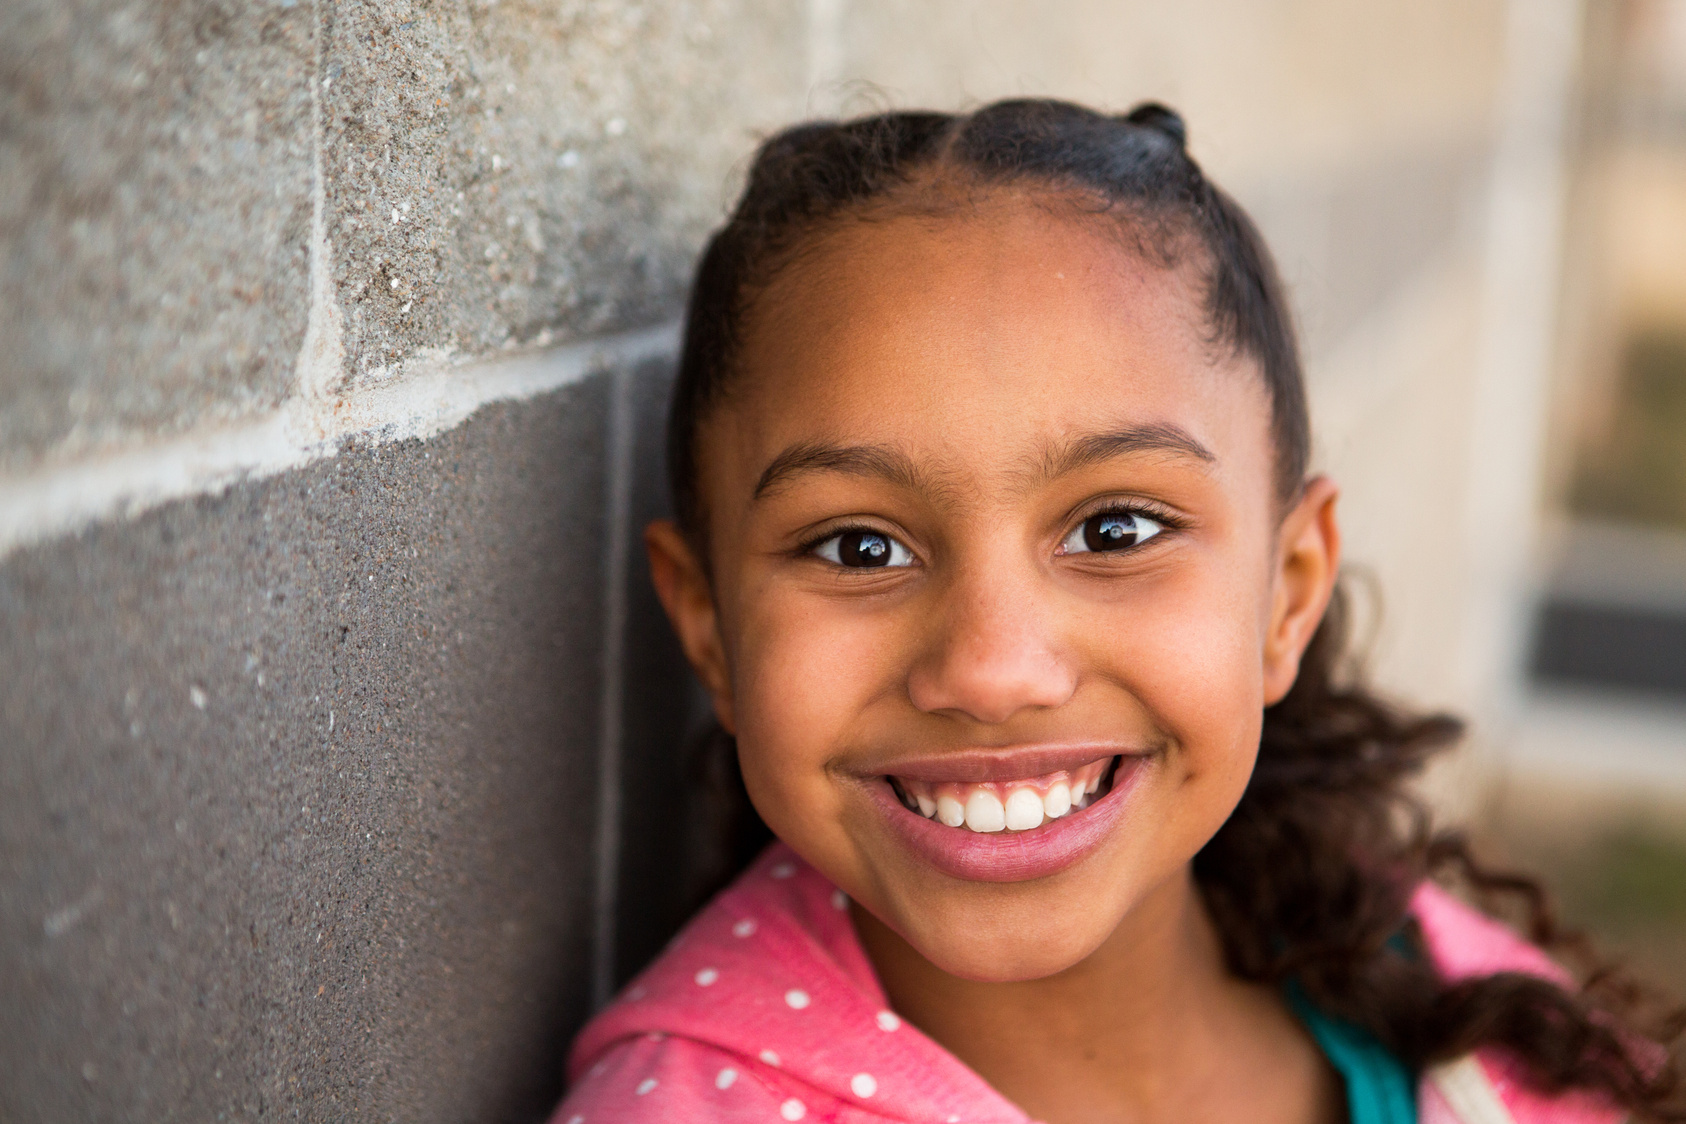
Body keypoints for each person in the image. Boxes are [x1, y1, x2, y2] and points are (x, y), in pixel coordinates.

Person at [553, 100, 1681, 1123]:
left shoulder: (1437, 1003)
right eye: (861, 546)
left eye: (1115, 530)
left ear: (1287, 594)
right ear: (708, 626)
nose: (994, 669)